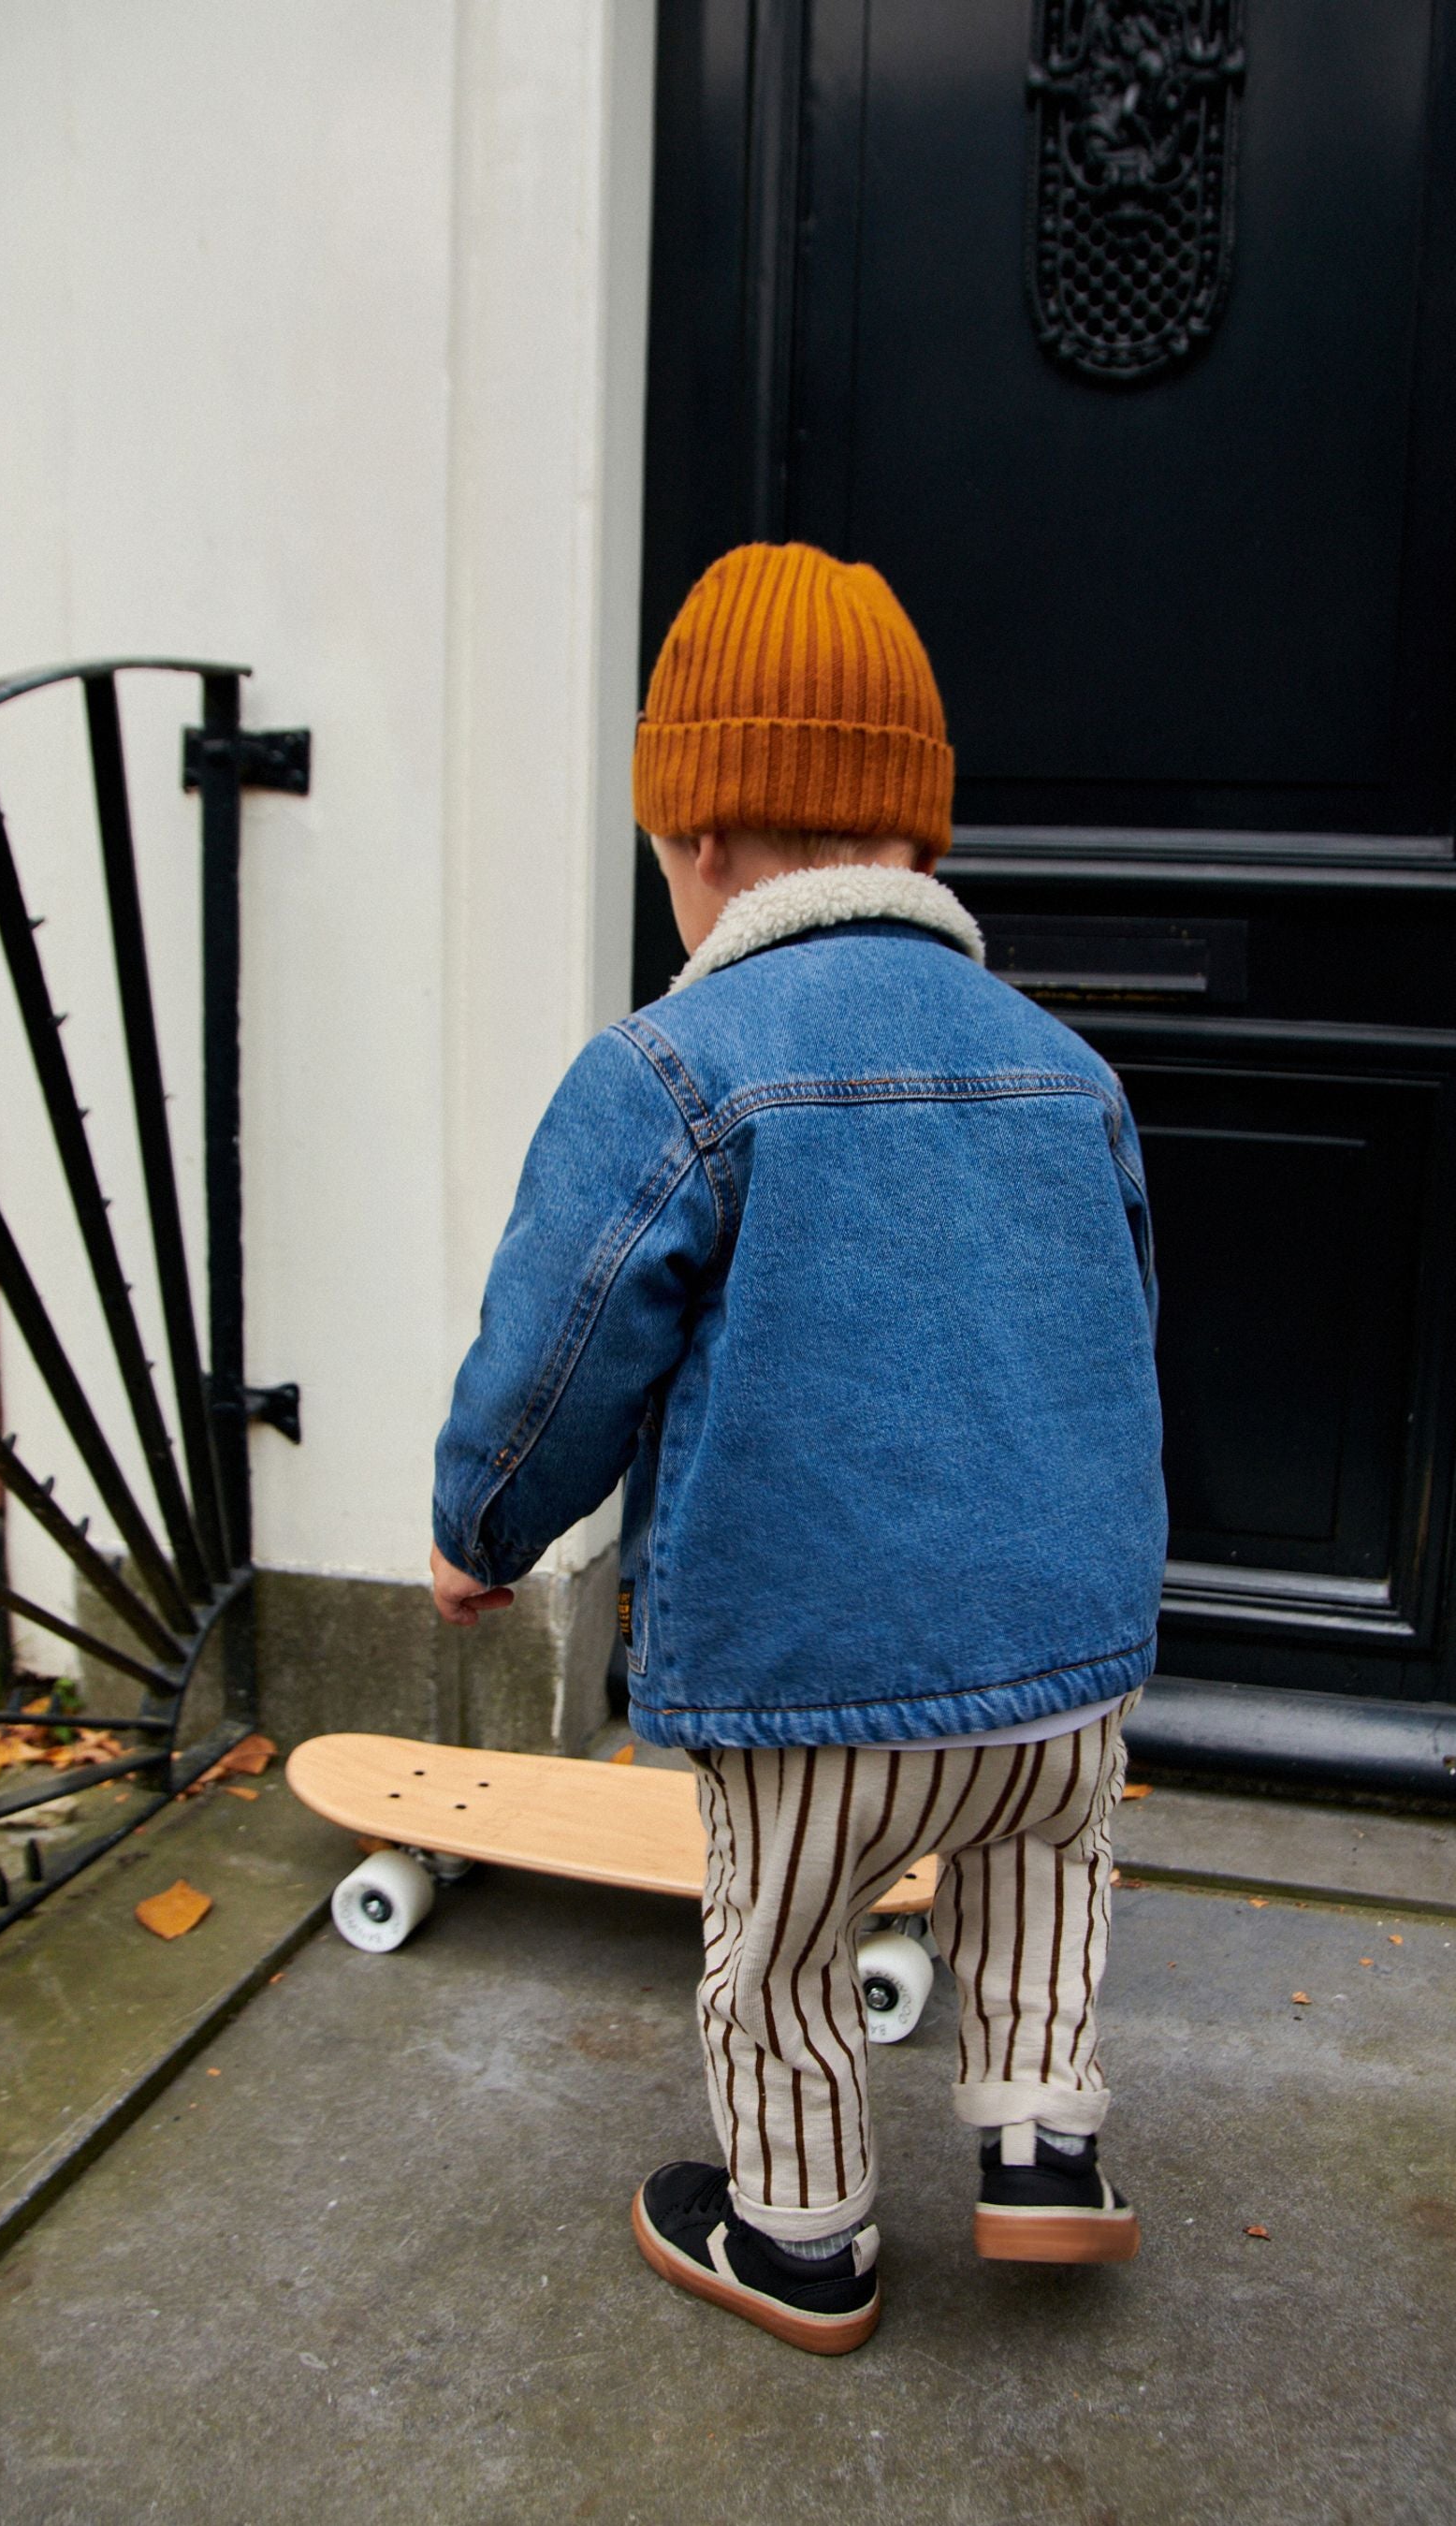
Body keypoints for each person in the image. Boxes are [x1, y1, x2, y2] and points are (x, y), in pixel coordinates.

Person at [430, 541, 1165, 2355]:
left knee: (780, 1955)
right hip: (1066, 1676)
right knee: (1042, 1883)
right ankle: (1044, 2145)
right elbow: (1120, 1339)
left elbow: (565, 1349)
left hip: (811, 1677)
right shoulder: (1068, 1068)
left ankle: (805, 2236)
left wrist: (484, 1530)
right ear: (919, 837)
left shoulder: (675, 1068)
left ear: (694, 841)